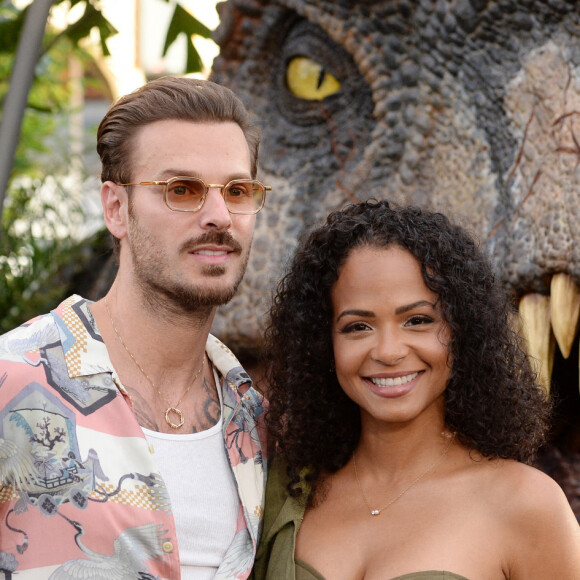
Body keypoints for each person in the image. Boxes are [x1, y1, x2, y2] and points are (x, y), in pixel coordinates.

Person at [0, 77, 269, 579]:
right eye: (181, 190)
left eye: (236, 190)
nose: (218, 216)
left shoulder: (255, 421)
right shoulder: (13, 381)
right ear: (116, 208)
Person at [254, 199, 580, 580]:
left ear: (463, 334)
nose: (389, 351)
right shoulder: (283, 491)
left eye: (418, 320)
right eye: (358, 326)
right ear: (323, 344)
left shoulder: (526, 505)